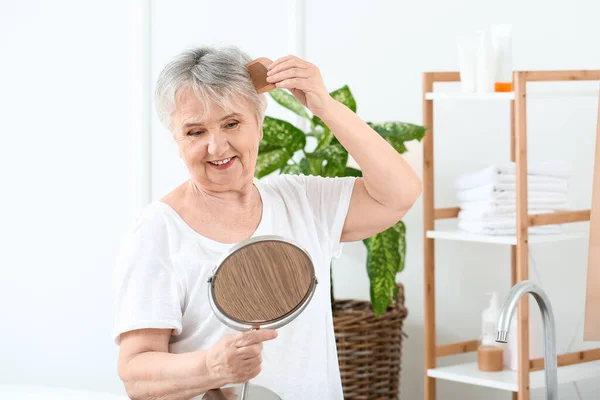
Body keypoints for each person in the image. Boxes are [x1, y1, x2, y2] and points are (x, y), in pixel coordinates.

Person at [112, 45, 421, 400]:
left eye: (232, 123)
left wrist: (325, 106)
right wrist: (212, 366)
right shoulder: (158, 231)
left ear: (259, 126)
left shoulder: (301, 200)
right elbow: (135, 374)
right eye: (195, 132)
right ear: (177, 141)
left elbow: (399, 193)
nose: (216, 147)